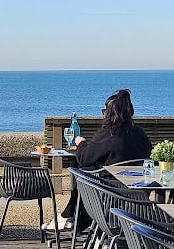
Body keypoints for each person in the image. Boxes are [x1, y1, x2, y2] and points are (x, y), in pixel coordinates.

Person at [45, 89, 152, 231]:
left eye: (104, 111)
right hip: (137, 195)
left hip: (108, 193)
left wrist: (81, 143)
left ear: (109, 113)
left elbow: (84, 158)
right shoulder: (140, 134)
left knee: (83, 173)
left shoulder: (109, 133)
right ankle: (70, 216)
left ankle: (72, 217)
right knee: (88, 171)